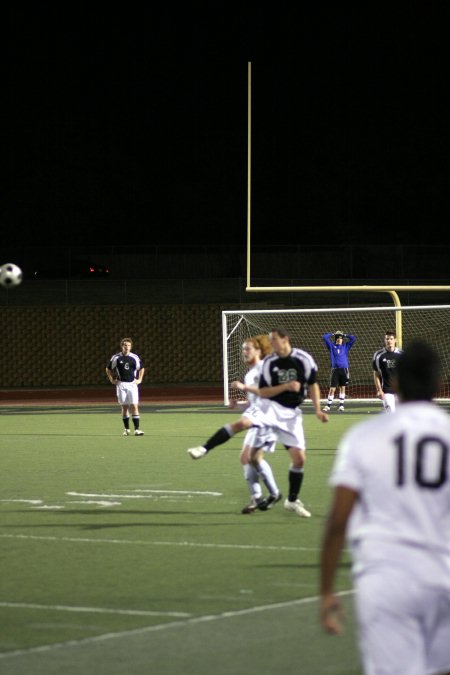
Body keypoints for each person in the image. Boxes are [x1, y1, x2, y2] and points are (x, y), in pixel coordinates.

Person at [319, 340, 450, 675]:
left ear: (395, 382)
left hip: (386, 578)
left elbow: (338, 521)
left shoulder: (364, 436)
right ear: (438, 383)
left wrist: (326, 590)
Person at [231, 328, 329, 518]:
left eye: (274, 340)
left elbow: (312, 384)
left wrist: (318, 409)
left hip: (292, 415)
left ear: (285, 339)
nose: (271, 344)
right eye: (270, 341)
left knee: (299, 459)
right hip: (270, 413)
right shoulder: (269, 363)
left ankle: (291, 500)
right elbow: (263, 393)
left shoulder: (303, 359)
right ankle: (259, 495)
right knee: (250, 457)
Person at [187, 335, 282, 514]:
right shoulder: (249, 374)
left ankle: (204, 448)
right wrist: (238, 405)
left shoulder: (264, 369)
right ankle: (261, 496)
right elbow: (253, 403)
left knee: (242, 425)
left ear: (259, 351)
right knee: (247, 458)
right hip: (258, 414)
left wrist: (245, 389)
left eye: (248, 349)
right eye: (243, 349)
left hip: (269, 415)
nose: (244, 352)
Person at [106, 337, 145, 436]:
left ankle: (137, 429)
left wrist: (139, 379)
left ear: (131, 347)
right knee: (125, 407)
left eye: (128, 345)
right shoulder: (116, 357)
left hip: (132, 384)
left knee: (134, 405)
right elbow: (108, 369)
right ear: (122, 346)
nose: (127, 347)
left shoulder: (134, 357)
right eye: (125, 345)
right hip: (121, 385)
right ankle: (126, 429)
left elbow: (141, 368)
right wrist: (111, 379)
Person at [322, 331, 357, 412]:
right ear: (335, 339)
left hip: (344, 369)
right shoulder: (331, 346)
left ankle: (341, 406)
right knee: (332, 389)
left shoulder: (346, 346)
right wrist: (333, 334)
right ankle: (328, 406)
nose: (339, 340)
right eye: (337, 338)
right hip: (335, 370)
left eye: (340, 338)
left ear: (342, 340)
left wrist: (345, 334)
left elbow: (354, 338)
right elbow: (324, 337)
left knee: (342, 388)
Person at [372, 329, 403, 413]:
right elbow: (376, 374)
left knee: (401, 416)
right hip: (386, 391)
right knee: (391, 414)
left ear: (395, 340)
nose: (389, 341)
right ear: (384, 340)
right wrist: (379, 390)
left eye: (391, 339)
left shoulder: (402, 354)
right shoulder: (378, 355)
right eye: (387, 339)